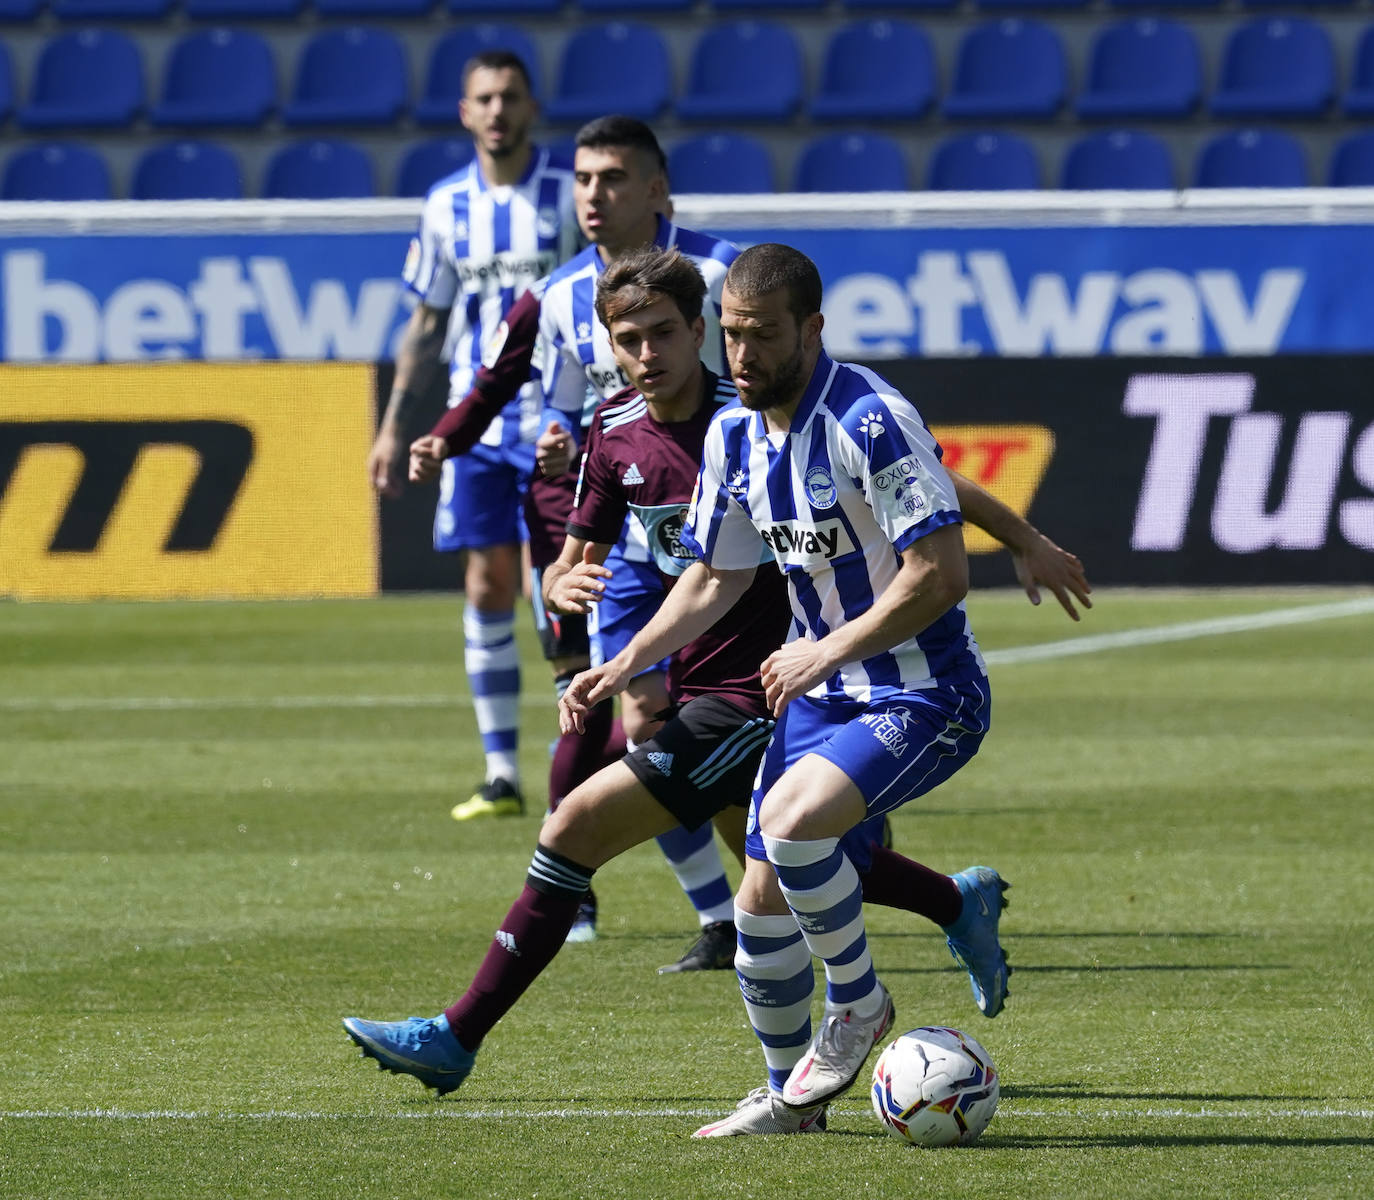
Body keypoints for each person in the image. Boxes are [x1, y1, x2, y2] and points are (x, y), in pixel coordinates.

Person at [341, 247, 1092, 1110]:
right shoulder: (679, 435)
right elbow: (703, 575)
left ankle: (855, 999)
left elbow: (932, 529)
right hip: (780, 690)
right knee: (769, 898)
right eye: (634, 338)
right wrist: (616, 657)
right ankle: (796, 1091)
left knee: (698, 830)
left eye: (731, 335)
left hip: (839, 686)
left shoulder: (850, 414)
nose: (732, 354)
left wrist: (1013, 540)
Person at [414, 115, 746, 960]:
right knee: (644, 724)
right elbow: (558, 404)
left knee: (756, 747)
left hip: (746, 550)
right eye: (585, 180)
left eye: (612, 179)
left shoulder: (724, 272)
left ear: (657, 189)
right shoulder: (562, 295)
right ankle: (723, 917)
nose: (592, 196)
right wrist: (548, 443)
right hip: (637, 551)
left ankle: (831, 873)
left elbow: (785, 390)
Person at [365, 49, 580, 821]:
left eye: (510, 97)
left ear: (531, 107)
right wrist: (395, 427)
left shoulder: (567, 193)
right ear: (465, 112)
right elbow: (427, 322)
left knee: (557, 593)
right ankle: (500, 773)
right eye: (484, 98)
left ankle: (578, 760)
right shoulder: (444, 204)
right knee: (486, 584)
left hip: (557, 421)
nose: (497, 111)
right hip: (476, 426)